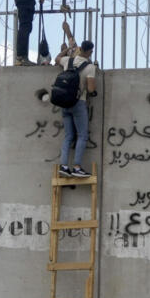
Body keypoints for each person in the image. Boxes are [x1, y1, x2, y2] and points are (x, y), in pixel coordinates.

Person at [54, 20, 98, 179]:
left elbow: (56, 59)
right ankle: (77, 167)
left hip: (64, 102)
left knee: (68, 136)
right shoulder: (90, 67)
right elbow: (91, 89)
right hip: (79, 103)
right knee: (82, 135)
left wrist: (65, 50)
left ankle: (64, 166)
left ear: (80, 49)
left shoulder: (68, 60)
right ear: (90, 51)